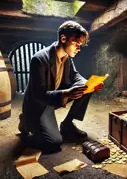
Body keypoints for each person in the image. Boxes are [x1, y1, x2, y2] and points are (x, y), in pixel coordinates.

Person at [18, 20, 103, 152]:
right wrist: (67, 93)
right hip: (38, 104)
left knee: (85, 87)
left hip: (54, 98)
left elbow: (75, 76)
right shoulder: (39, 59)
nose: (79, 49)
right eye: (76, 44)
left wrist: (90, 84)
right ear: (63, 38)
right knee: (54, 142)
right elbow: (38, 95)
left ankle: (67, 125)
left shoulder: (67, 58)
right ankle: (26, 123)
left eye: (80, 45)